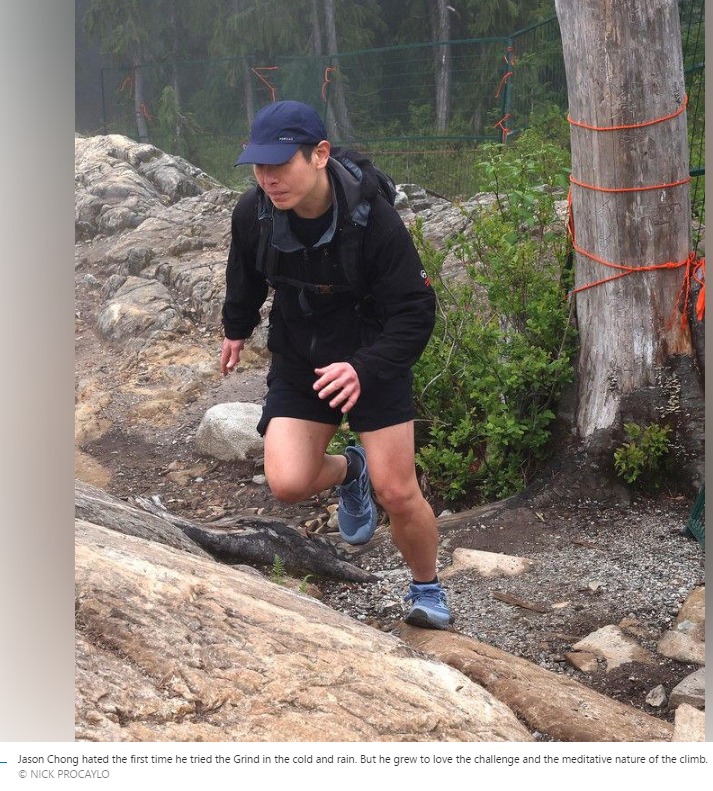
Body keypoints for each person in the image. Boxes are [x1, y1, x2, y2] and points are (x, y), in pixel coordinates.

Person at [220, 100, 453, 629]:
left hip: (371, 353)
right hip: (302, 352)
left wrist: (364, 368)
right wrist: (237, 326)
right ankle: (352, 469)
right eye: (259, 166)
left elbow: (415, 311)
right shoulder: (254, 212)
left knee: (397, 491)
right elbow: (246, 274)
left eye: (280, 165)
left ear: (320, 155)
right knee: (287, 483)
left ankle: (427, 586)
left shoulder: (373, 219)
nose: (268, 179)